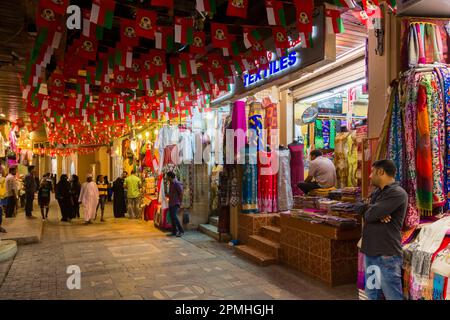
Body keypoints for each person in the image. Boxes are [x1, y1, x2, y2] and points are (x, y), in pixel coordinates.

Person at [355, 159, 408, 300]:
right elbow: (359, 206)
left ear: (381, 172)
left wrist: (372, 211)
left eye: (373, 172)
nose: (370, 176)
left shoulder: (397, 193)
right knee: (372, 295)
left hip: (387, 255)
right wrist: (374, 210)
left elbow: (369, 215)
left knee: (393, 296)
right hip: (371, 253)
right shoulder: (377, 192)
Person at [166, 171, 184, 237]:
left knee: (174, 217)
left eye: (167, 176)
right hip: (171, 203)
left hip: (175, 203)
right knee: (172, 217)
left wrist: (180, 202)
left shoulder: (176, 183)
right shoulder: (171, 183)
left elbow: (181, 193)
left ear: (170, 177)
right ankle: (174, 231)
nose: (166, 177)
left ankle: (181, 230)